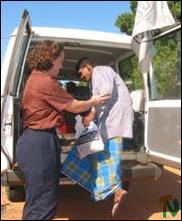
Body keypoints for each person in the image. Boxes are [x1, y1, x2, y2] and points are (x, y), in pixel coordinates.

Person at [15, 42, 110, 220]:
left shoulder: (35, 78)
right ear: (50, 59)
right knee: (43, 202)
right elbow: (74, 106)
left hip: (35, 140)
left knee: (37, 199)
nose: (60, 65)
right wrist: (94, 100)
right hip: (39, 143)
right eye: (60, 61)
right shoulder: (45, 82)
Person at [61, 57, 133, 216]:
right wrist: (92, 114)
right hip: (110, 121)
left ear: (88, 67)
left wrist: (92, 114)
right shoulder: (96, 78)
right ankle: (116, 190)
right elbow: (98, 98)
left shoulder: (100, 70)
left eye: (81, 73)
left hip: (115, 120)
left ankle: (117, 190)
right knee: (103, 155)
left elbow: (105, 94)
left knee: (111, 156)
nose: (82, 77)